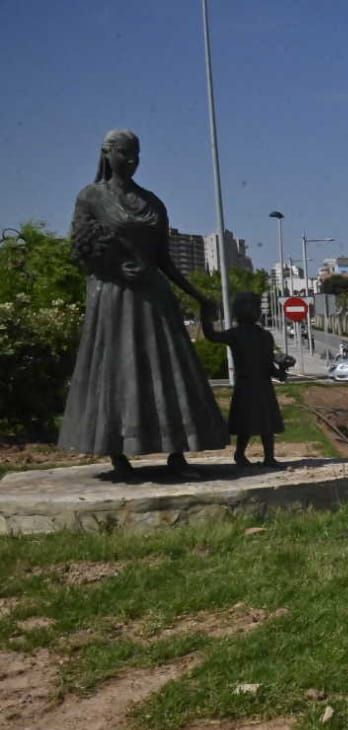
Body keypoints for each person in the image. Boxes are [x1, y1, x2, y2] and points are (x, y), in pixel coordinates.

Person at [57, 129, 229, 478]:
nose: (132, 161)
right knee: (116, 371)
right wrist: (114, 265)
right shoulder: (90, 197)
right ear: (107, 154)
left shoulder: (152, 202)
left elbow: (164, 260)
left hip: (154, 298)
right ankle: (118, 454)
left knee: (168, 373)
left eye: (137, 154)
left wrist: (199, 295)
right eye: (124, 153)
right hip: (112, 299)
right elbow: (80, 249)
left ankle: (178, 453)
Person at [202, 291, 286, 468]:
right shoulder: (237, 334)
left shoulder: (264, 336)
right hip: (246, 384)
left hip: (261, 384)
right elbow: (211, 335)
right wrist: (205, 314)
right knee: (246, 423)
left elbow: (269, 366)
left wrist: (282, 370)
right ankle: (240, 454)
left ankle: (268, 456)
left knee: (266, 423)